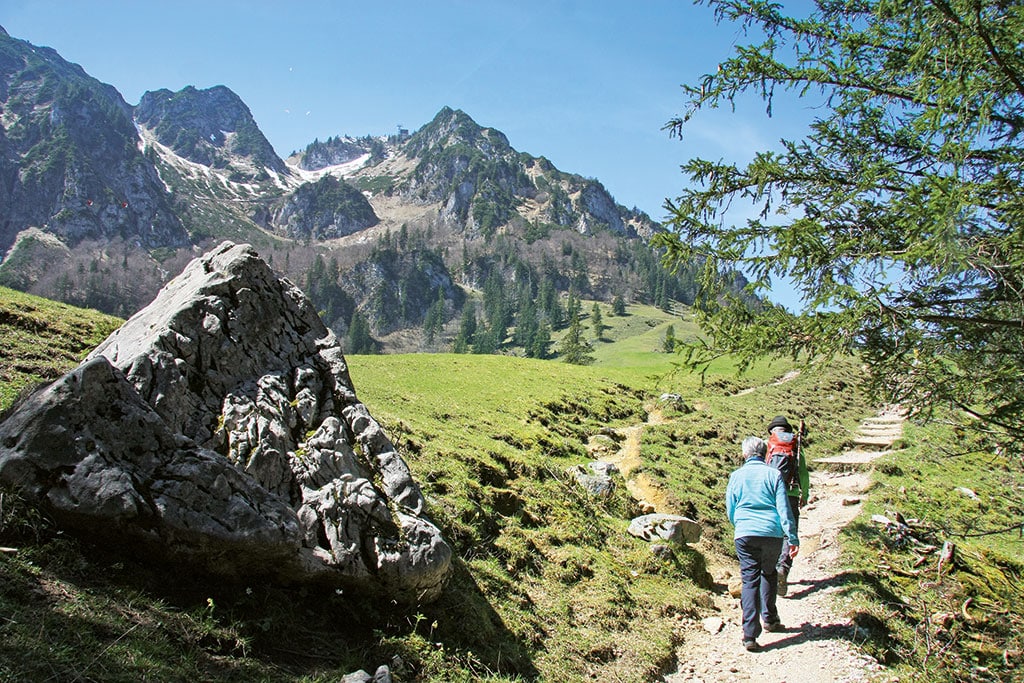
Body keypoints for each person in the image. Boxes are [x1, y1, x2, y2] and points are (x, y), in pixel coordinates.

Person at [726, 435, 800, 652]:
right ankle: (770, 619)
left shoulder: (736, 476)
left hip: (745, 533)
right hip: (772, 533)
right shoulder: (774, 474)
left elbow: (730, 507)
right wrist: (792, 537)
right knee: (768, 573)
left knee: (749, 580)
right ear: (765, 453)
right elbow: (784, 508)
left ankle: (749, 635)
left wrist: (739, 524)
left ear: (744, 454)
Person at [766, 415, 810, 596]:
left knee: (773, 530)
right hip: (790, 493)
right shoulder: (796, 447)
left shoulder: (769, 446)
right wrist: (804, 494)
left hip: (771, 495)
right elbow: (803, 473)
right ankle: (783, 567)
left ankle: (770, 570)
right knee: (788, 532)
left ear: (772, 431)